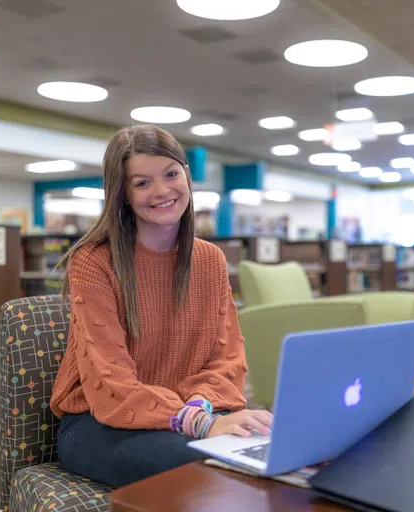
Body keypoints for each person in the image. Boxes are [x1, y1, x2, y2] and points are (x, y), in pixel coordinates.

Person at [49, 124, 273, 488]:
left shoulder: (210, 260)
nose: (162, 191)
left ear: (187, 174)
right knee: (214, 472)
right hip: (101, 422)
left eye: (171, 174)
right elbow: (111, 382)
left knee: (271, 453)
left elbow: (227, 360)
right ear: (122, 193)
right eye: (142, 183)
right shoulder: (94, 261)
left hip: (193, 410)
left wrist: (200, 408)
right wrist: (199, 423)